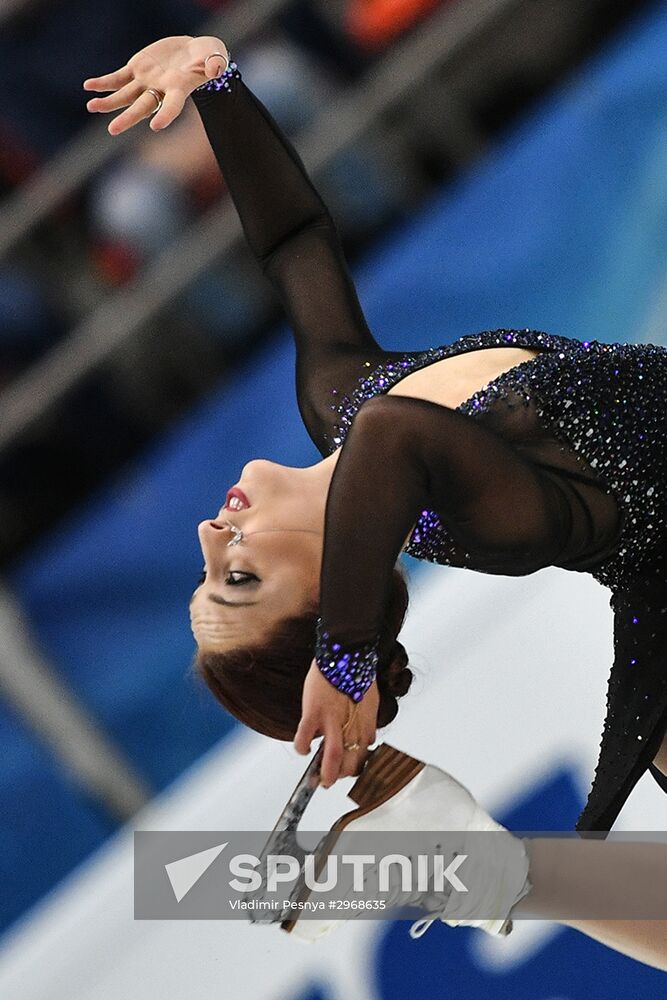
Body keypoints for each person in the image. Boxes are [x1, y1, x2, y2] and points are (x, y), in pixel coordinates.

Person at [84, 33, 667, 966]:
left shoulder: (336, 404)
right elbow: (402, 442)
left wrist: (218, 87)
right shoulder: (473, 516)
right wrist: (342, 658)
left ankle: (484, 867)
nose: (208, 529)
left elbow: (294, 242)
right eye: (235, 576)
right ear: (326, 595)